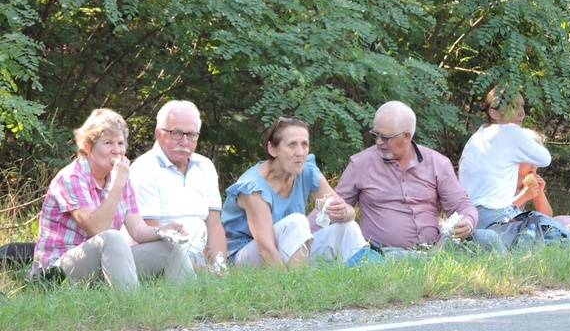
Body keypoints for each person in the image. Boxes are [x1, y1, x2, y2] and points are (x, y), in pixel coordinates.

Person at [32, 109, 195, 287]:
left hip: (103, 264)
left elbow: (139, 231)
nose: (117, 151)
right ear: (87, 146)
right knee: (113, 238)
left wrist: (163, 231)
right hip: (57, 272)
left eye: (120, 143)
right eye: (108, 143)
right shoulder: (71, 178)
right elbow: (97, 230)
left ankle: (190, 309)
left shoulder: (121, 180)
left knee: (172, 247)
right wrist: (117, 184)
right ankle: (133, 310)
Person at [329, 101, 501, 254]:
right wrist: (304, 236)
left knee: (489, 238)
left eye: (385, 137)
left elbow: (463, 206)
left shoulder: (436, 163)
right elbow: (332, 208)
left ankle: (508, 282)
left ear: (407, 136)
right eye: (376, 135)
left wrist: (467, 222)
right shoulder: (361, 164)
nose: (378, 142)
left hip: (438, 247)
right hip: (387, 253)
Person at [221, 117, 370, 268]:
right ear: (272, 149)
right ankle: (299, 284)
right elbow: (266, 249)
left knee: (347, 228)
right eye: (292, 145)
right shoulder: (253, 188)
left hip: (287, 249)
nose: (300, 152)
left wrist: (342, 212)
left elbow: (350, 213)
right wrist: (287, 287)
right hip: (243, 258)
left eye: (304, 144)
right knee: (297, 222)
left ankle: (366, 282)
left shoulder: (307, 172)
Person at [129, 101, 227, 272]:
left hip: (201, 257)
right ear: (159, 134)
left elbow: (214, 226)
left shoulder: (205, 166)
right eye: (176, 133)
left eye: (191, 134)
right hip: (162, 258)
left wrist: (219, 266)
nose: (184, 141)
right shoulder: (144, 169)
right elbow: (150, 237)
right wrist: (202, 270)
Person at [459, 87, 552, 229]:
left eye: (522, 106)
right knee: (553, 230)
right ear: (494, 113)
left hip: (468, 217)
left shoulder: (477, 137)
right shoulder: (510, 130)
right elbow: (545, 159)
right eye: (514, 107)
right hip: (493, 217)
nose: (522, 113)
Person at [513, 130, 570, 226]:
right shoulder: (505, 178)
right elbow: (499, 213)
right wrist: (524, 196)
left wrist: (540, 192)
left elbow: (547, 216)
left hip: (520, 222)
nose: (534, 165)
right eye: (531, 159)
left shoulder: (526, 178)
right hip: (504, 225)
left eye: (538, 160)